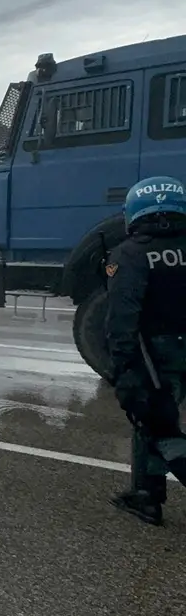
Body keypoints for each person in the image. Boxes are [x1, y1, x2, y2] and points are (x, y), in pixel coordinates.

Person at [105, 176, 186, 526]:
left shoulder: (131, 253)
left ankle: (147, 496)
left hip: (159, 353)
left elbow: (123, 317)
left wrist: (123, 367)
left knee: (154, 422)